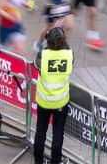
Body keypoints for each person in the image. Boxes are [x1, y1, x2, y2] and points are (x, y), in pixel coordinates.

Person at [30, 27, 72, 164]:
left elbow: (35, 65)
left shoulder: (43, 55)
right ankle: (56, 161)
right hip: (60, 102)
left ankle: (38, 161)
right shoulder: (69, 55)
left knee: (41, 132)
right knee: (58, 133)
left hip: (44, 102)